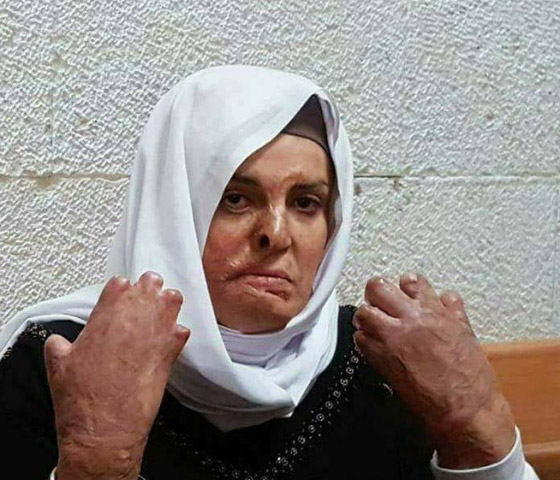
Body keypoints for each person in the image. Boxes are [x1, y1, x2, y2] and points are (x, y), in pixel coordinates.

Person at [0, 65, 539, 479]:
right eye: (236, 198)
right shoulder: (62, 361)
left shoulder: (382, 360)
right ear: (172, 210)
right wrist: (97, 462)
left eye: (306, 203)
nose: (276, 234)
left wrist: (477, 426)